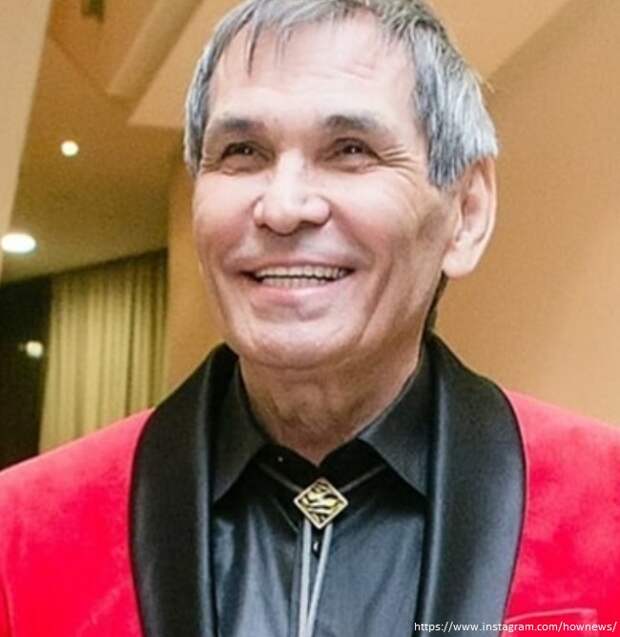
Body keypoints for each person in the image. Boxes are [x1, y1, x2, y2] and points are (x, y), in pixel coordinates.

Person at [1, 1, 619, 636]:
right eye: (242, 152)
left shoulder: (606, 504)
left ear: (466, 212)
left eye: (350, 150)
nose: (283, 207)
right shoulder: (22, 533)